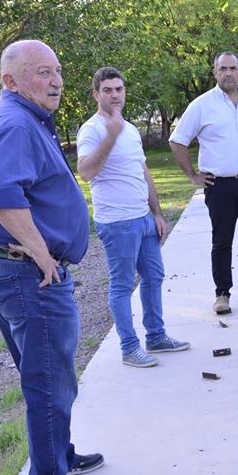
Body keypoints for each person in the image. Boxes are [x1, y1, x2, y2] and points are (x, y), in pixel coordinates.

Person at [0, 40, 105, 475]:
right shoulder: (17, 124)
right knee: (50, 382)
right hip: (29, 274)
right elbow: (2, 194)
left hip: (7, 265)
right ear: (11, 80)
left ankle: (60, 457)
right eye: (42, 72)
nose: (56, 80)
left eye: (57, 70)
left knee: (46, 374)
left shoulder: (1, 120)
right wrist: (43, 255)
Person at [77, 66, 191, 368]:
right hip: (117, 223)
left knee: (154, 277)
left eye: (119, 89)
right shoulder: (92, 130)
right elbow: (85, 172)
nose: (115, 95)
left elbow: (142, 172)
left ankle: (156, 336)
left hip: (143, 218)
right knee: (122, 285)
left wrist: (157, 213)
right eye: (107, 90)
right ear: (96, 95)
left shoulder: (128, 129)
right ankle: (129, 348)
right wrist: (110, 136)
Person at [169, 51, 238, 314]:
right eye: (223, 68)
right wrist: (192, 175)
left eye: (233, 68)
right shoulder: (201, 105)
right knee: (221, 242)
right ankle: (222, 295)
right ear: (215, 72)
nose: (228, 73)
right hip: (219, 186)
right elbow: (177, 141)